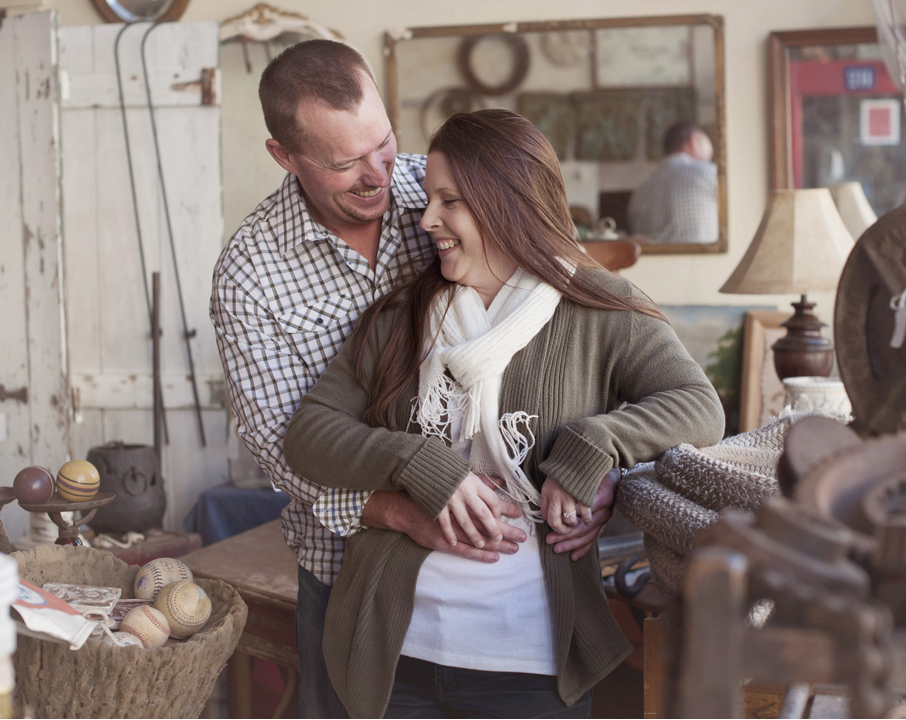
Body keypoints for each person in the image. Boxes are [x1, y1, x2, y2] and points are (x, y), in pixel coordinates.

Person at [209, 41, 616, 717]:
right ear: (286, 157)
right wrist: (398, 507)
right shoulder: (251, 273)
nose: (379, 176)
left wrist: (600, 470)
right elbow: (283, 443)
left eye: (384, 143)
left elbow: (570, 316)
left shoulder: (440, 189)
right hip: (351, 581)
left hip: (512, 602)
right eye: (345, 164)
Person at [283, 109, 726, 718]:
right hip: (396, 657)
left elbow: (698, 406)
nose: (427, 218)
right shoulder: (403, 317)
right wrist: (419, 461)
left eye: (450, 201)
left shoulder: (599, 308)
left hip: (530, 665)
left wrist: (594, 444)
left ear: (506, 204)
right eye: (430, 199)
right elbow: (309, 434)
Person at [627, 122, 719, 243]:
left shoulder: (640, 191)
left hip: (653, 261)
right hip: (706, 260)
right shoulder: (709, 173)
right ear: (693, 141)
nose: (710, 155)